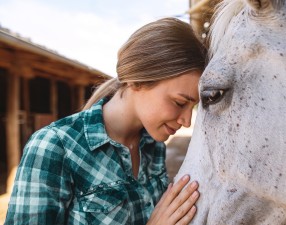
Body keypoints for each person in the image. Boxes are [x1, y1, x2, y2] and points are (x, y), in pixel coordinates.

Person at [5, 17, 207, 225]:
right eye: (179, 102)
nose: (186, 121)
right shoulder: (54, 147)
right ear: (138, 81)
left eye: (192, 107)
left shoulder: (153, 146)